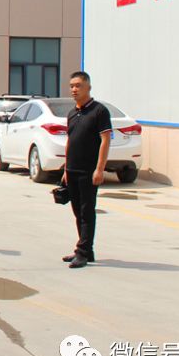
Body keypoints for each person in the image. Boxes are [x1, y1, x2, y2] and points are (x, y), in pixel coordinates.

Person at [62, 71, 112, 269]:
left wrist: (99, 169)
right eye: (72, 86)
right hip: (72, 169)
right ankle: (86, 250)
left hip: (88, 171)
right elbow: (70, 141)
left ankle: (82, 252)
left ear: (88, 87)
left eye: (78, 86)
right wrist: (66, 169)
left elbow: (105, 140)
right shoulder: (72, 113)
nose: (74, 89)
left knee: (86, 211)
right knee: (77, 211)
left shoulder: (99, 111)